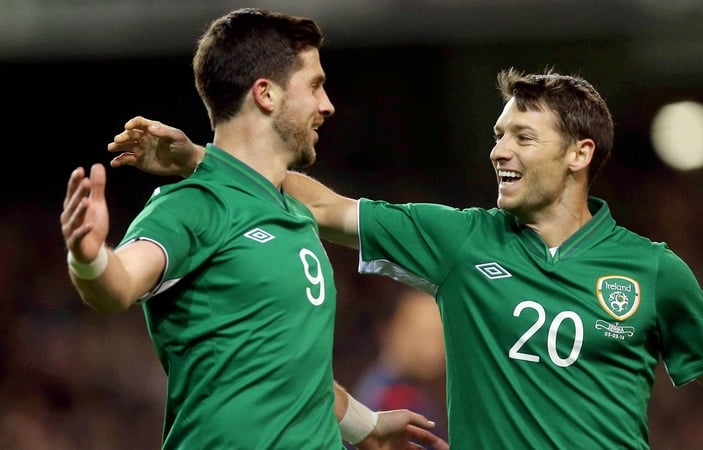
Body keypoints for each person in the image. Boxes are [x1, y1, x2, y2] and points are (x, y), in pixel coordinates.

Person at [105, 67, 703, 449]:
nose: (498, 151)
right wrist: (203, 160)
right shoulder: (461, 240)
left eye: (522, 137)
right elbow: (324, 206)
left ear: (579, 154)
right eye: (498, 135)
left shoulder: (651, 269)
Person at [60, 8, 447, 450]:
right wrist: (88, 257)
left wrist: (366, 426)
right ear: (266, 94)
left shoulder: (294, 212)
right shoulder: (194, 204)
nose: (327, 105)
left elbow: (291, 370)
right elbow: (117, 284)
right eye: (315, 85)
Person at [351, 287, 447, 449]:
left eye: (439, 334)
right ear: (389, 329)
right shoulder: (392, 400)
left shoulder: (415, 388)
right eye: (421, 334)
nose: (433, 347)